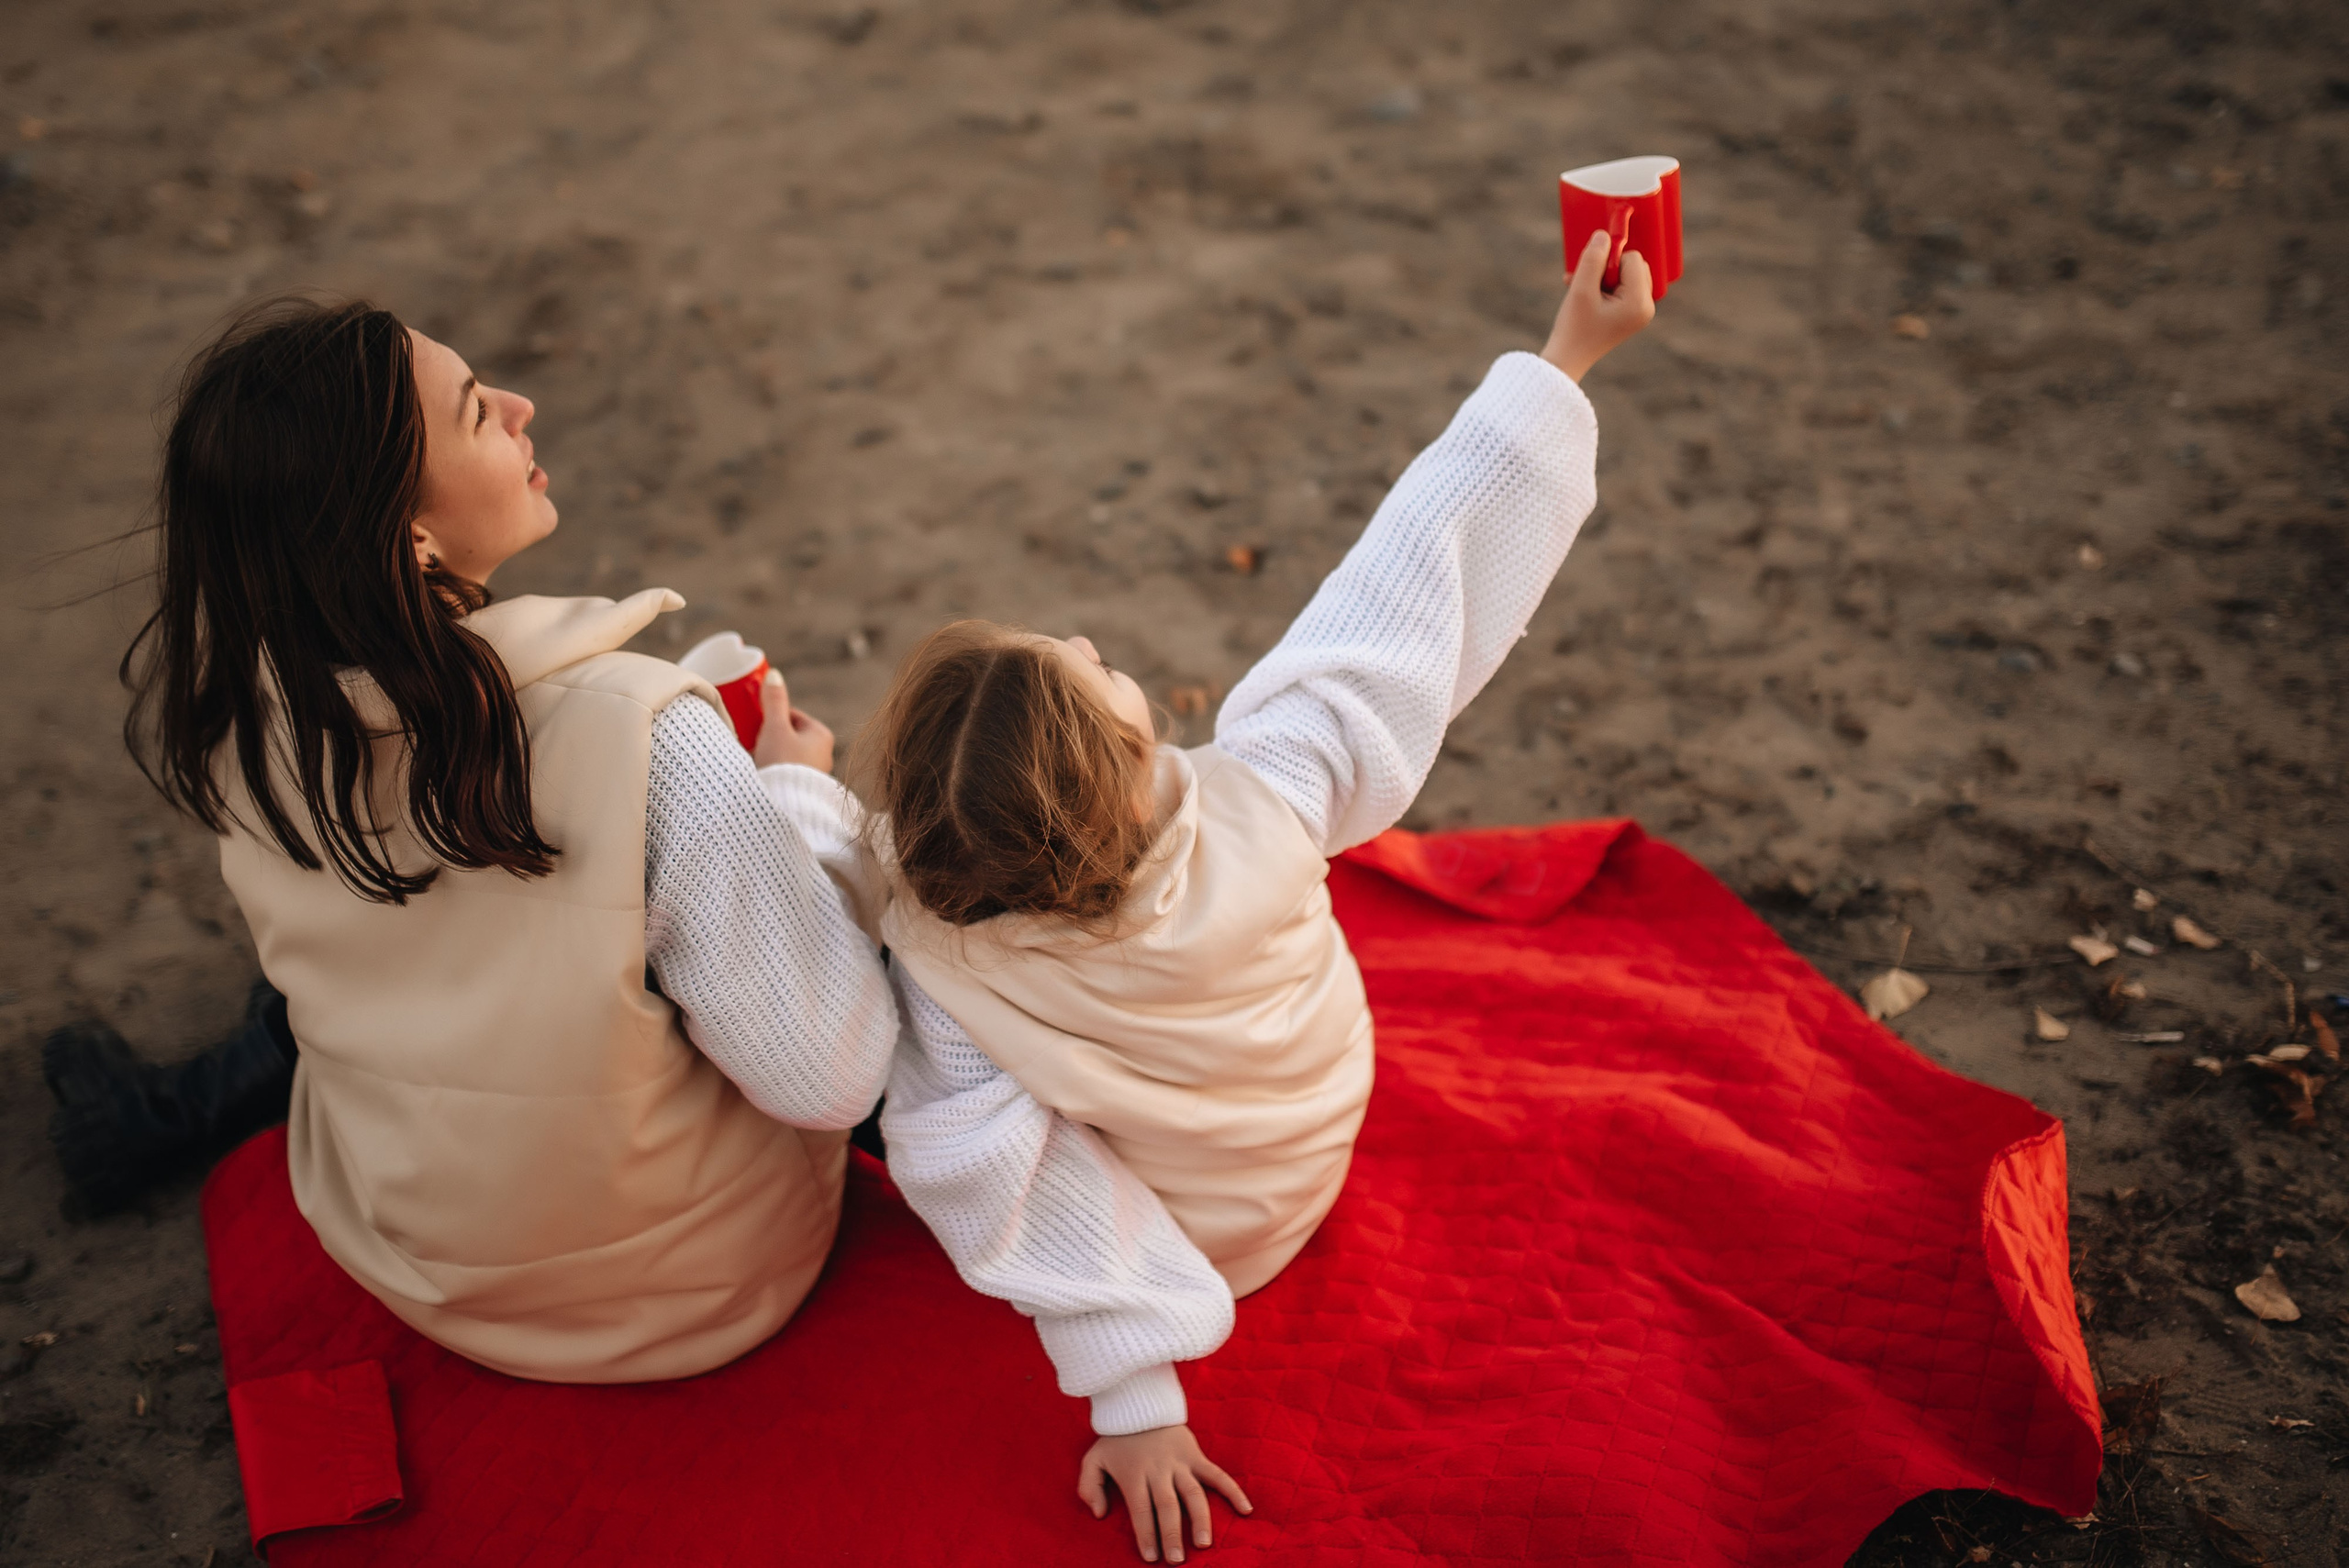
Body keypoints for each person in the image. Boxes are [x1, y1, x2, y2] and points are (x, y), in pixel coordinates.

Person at [863, 233, 1655, 1562]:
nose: (1090, 644)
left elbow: (1011, 1179)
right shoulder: (1273, 788)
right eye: (1086, 668)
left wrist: (1135, 1393)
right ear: (1123, 762)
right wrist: (1566, 354)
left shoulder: (946, 964)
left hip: (1194, 1238)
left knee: (931, 1110)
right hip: (1307, 1153)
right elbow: (1413, 577)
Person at [60, 295, 896, 1383]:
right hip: (687, 1283)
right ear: (407, 534)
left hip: (415, 1259)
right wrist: (792, 799)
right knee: (905, 943)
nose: (519, 403)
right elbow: (829, 1080)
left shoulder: (251, 724)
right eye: (473, 414)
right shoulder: (651, 736)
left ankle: (163, 1118)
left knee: (341, 972)